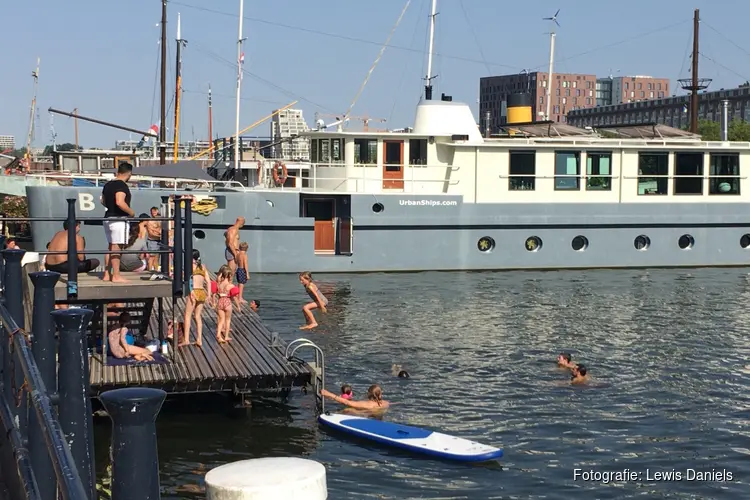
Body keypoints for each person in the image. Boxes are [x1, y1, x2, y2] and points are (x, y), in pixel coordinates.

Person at [101, 162, 134, 282]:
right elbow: (120, 201)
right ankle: (116, 275)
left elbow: (103, 201)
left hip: (108, 218)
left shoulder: (108, 185)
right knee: (116, 247)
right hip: (119, 219)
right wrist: (131, 212)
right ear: (129, 174)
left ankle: (106, 274)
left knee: (110, 246)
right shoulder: (122, 186)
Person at [181, 250, 210, 347]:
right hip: (202, 292)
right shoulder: (203, 267)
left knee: (187, 315)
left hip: (194, 291)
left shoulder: (190, 267)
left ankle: (186, 339)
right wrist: (209, 294)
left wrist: (191, 291)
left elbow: (189, 280)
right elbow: (209, 282)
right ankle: (199, 339)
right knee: (197, 316)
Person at [321, 384, 389, 410]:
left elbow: (346, 402)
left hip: (368, 418)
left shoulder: (366, 404)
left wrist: (329, 394)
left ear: (369, 394)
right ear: (380, 393)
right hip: (378, 419)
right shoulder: (386, 403)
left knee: (348, 410)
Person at [215, 266, 234, 343]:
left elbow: (217, 290)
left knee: (221, 320)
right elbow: (234, 294)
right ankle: (226, 336)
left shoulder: (219, 284)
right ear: (229, 275)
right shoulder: (230, 285)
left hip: (220, 301)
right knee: (228, 320)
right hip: (227, 302)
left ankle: (218, 334)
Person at [146, 207, 162, 271]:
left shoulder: (160, 221)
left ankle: (156, 271)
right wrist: (160, 235)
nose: (154, 213)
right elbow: (151, 233)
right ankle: (150, 271)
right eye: (153, 212)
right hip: (152, 241)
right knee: (152, 257)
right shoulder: (150, 222)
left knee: (157, 258)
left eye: (155, 212)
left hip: (159, 240)